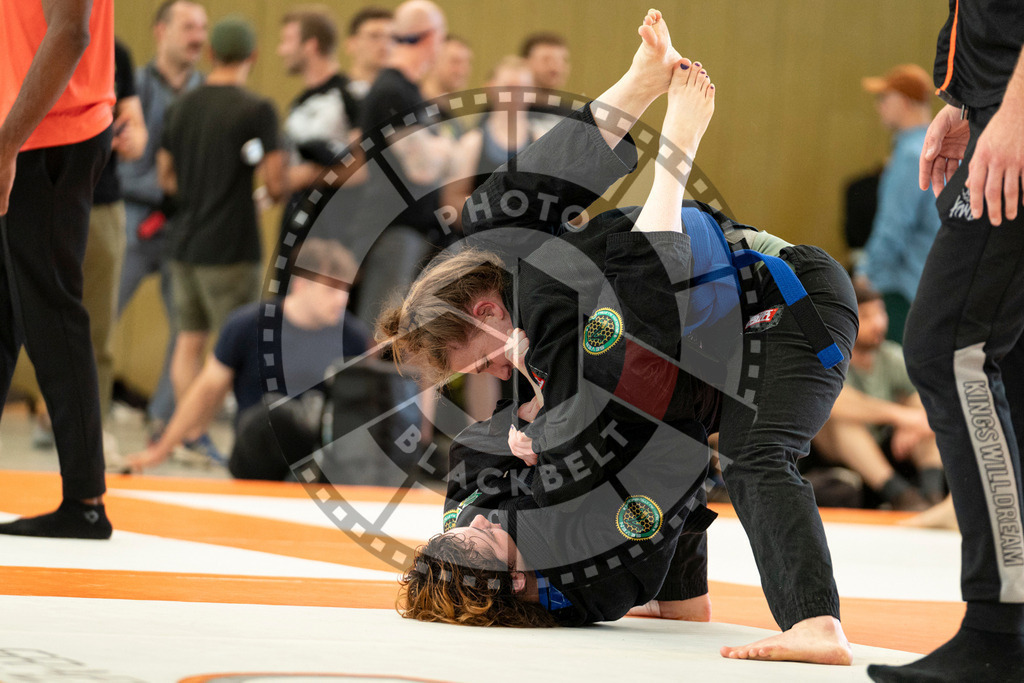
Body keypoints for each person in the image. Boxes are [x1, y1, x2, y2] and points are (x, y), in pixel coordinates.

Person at [381, 10, 857, 665]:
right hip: (716, 330)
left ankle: (815, 623)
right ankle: (684, 597)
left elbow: (651, 283)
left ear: (487, 310)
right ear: (516, 581)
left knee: (749, 450)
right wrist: (542, 437)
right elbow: (652, 315)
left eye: (483, 358)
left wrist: (672, 139)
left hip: (788, 304)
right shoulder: (570, 557)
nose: (495, 371)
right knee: (629, 429)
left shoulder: (527, 295)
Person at [867, 2, 1024, 682]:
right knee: (1003, 362)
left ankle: (998, 625)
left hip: (1014, 113)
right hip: (994, 106)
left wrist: (1013, 111)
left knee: (949, 348)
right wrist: (965, 99)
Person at [0, 0, 116, 539]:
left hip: (47, 135)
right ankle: (83, 497)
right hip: (30, 130)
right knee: (7, 308)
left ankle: (85, 500)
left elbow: (71, 33)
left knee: (52, 310)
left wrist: (6, 147)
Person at [126, 238, 370, 479]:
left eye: (346, 290)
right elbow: (206, 391)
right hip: (256, 450)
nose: (342, 300)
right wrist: (161, 450)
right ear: (301, 285)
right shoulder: (248, 325)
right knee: (279, 415)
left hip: (313, 457)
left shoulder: (353, 338)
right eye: (331, 289)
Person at [158, 16, 287, 463]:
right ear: (253, 56)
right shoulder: (257, 109)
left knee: (188, 341)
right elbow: (274, 179)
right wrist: (261, 194)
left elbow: (165, 177)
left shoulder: (181, 106)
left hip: (183, 245)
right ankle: (243, 444)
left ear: (210, 54)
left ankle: (190, 438)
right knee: (238, 347)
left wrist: (199, 191)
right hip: (230, 248)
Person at [117, 0, 208, 438]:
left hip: (184, 231)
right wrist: (160, 192)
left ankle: (166, 418)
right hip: (133, 222)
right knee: (93, 320)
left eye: (203, 28)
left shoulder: (209, 95)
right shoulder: (130, 86)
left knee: (189, 328)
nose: (197, 36)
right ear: (160, 31)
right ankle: (65, 416)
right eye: (188, 26)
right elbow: (117, 161)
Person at [351, 0, 454, 324]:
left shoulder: (409, 91)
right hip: (392, 230)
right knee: (382, 329)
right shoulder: (391, 91)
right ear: (429, 37)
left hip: (409, 229)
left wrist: (438, 148)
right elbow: (422, 167)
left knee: (399, 328)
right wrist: (449, 146)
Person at [812, 280, 945, 510]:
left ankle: (931, 493)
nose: (879, 323)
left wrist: (914, 420)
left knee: (919, 402)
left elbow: (936, 397)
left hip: (888, 449)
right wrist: (901, 417)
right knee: (844, 421)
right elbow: (835, 402)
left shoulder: (890, 355)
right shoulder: (826, 357)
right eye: (867, 316)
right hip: (839, 458)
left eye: (881, 313)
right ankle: (902, 496)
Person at [856, 64, 941, 343]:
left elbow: (893, 227)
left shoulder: (909, 155)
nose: (879, 106)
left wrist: (864, 276)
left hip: (901, 290)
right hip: (931, 285)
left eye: (884, 98)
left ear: (903, 102)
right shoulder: (941, 147)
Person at [519, 31, 572, 137]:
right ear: (524, 63)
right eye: (546, 60)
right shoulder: (502, 112)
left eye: (562, 61)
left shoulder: (575, 117)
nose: (555, 68)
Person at [421, 35, 474, 137]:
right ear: (432, 62)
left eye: (467, 63)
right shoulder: (415, 111)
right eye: (455, 62)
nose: (463, 70)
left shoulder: (455, 121)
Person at [343, 6, 394, 101]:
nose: (384, 45)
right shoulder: (337, 97)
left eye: (391, 37)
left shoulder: (405, 96)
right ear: (351, 44)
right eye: (374, 36)